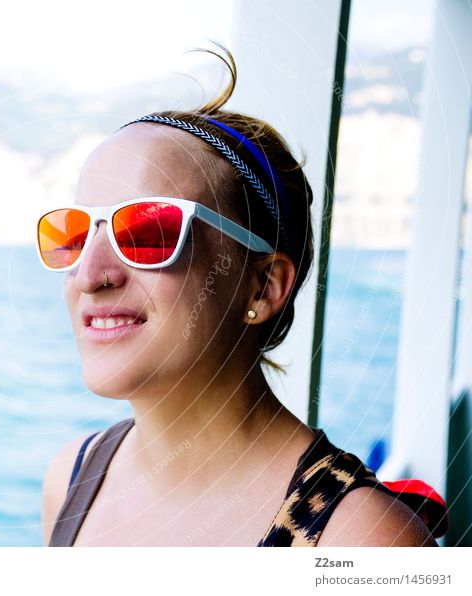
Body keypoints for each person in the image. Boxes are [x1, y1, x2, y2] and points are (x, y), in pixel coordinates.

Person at [37, 46, 437, 547]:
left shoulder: (361, 540)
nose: (87, 275)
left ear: (263, 286)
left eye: (149, 231)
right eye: (72, 236)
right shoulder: (73, 478)